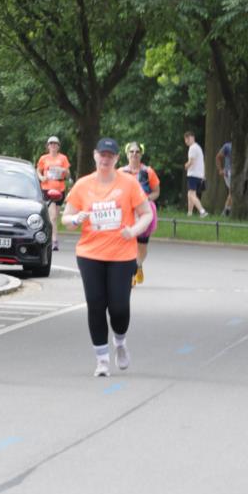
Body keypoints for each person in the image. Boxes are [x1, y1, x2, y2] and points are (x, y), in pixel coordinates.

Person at [62, 137, 152, 377]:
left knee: (119, 308)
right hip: (90, 253)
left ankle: (120, 342)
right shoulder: (82, 185)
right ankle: (102, 360)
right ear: (94, 155)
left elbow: (146, 214)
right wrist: (75, 219)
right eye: (102, 154)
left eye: (110, 156)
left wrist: (133, 231)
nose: (105, 159)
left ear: (116, 159)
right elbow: (66, 218)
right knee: (96, 304)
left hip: (122, 254)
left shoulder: (129, 184)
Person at [120, 142, 160, 286]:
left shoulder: (148, 172)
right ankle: (130, 274)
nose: (134, 154)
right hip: (127, 213)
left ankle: (138, 265)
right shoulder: (120, 172)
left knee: (142, 246)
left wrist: (147, 199)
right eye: (131, 152)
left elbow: (156, 191)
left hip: (144, 213)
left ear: (141, 154)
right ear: (127, 154)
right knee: (129, 242)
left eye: (137, 152)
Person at [36, 136, 71, 251]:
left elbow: (68, 174)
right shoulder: (43, 158)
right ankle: (54, 241)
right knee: (53, 216)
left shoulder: (63, 158)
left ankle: (48, 237)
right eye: (51, 144)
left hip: (59, 188)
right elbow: (38, 170)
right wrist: (41, 177)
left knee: (53, 216)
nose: (53, 146)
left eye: (55, 144)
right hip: (47, 189)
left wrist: (64, 171)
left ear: (58, 146)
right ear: (48, 146)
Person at [183, 131, 208, 217]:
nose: (186, 141)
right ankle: (189, 213)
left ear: (190, 138)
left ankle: (202, 211)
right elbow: (202, 162)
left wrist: (186, 166)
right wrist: (203, 175)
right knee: (190, 193)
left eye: (187, 139)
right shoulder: (198, 148)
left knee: (191, 194)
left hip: (193, 174)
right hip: (199, 174)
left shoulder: (192, 148)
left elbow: (191, 161)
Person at [215, 140, 232, 216]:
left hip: (239, 174)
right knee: (233, 192)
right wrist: (220, 169)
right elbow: (218, 157)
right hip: (229, 172)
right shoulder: (227, 146)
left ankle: (227, 211)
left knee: (232, 192)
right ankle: (226, 211)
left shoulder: (245, 146)